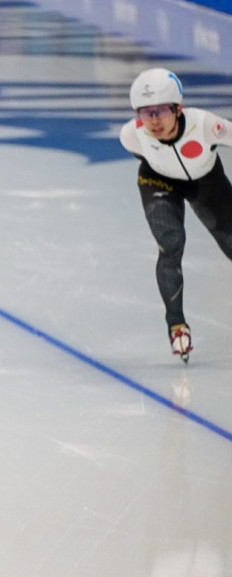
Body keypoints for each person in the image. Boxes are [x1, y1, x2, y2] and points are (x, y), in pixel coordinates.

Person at [119, 68, 232, 363]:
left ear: (178, 109)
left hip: (207, 181)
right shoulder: (131, 136)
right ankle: (176, 325)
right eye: (145, 112)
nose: (153, 120)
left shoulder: (205, 125)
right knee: (170, 243)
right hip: (159, 181)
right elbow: (149, 156)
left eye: (160, 111)